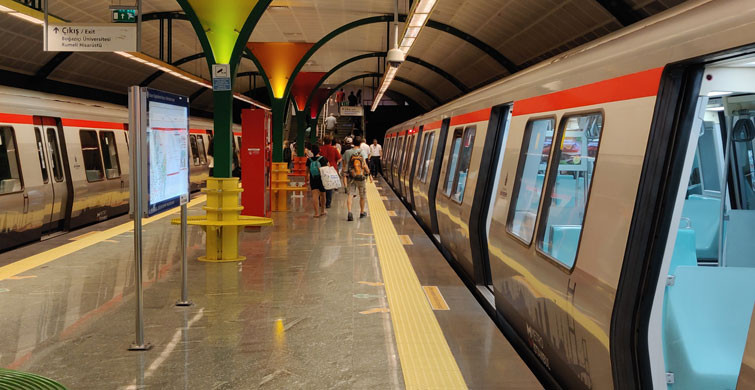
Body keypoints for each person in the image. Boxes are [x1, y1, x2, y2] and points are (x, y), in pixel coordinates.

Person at [343, 137, 370, 221]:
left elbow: (344, 164)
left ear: (353, 143)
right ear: (360, 143)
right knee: (362, 195)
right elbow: (364, 164)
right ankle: (362, 212)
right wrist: (368, 172)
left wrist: (345, 173)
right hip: (361, 177)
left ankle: (350, 212)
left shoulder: (347, 152)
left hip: (351, 176)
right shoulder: (363, 152)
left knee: (350, 194)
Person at [319, 135, 342, 209]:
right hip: (332, 169)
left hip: (322, 169)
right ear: (331, 142)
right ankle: (328, 203)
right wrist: (336, 162)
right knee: (329, 186)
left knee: (322, 185)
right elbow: (339, 158)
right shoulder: (334, 149)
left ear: (323, 141)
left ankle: (321, 201)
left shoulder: (320, 149)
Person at [306, 144, 329, 218]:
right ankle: (322, 211)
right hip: (322, 179)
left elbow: (307, 171)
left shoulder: (309, 160)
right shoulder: (323, 159)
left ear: (312, 151)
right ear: (319, 150)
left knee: (315, 196)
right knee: (323, 195)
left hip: (313, 178)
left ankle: (316, 213)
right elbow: (327, 168)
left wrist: (306, 180)